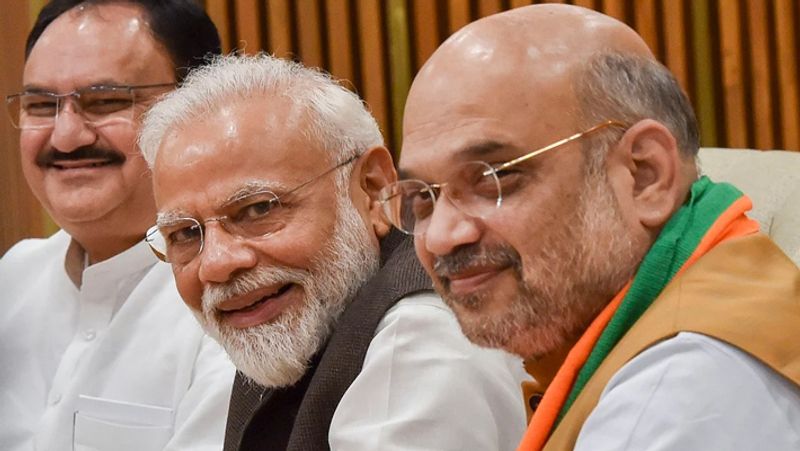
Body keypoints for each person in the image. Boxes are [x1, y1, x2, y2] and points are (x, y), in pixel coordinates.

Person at [386, 4, 800, 450]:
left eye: (495, 177)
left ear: (645, 175)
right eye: (422, 198)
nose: (441, 237)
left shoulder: (677, 398)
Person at [137, 53, 531, 451]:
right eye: (183, 234)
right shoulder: (288, 321)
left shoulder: (421, 342)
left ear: (372, 189)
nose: (216, 264)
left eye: (258, 210)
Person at [0, 1, 234, 450]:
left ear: (199, 106)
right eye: (41, 106)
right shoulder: (15, 275)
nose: (66, 136)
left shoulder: (234, 291)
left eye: (105, 101)